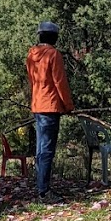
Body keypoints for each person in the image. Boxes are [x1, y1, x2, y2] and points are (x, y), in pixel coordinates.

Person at [25, 20, 74, 200]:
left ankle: (41, 188)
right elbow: (60, 82)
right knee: (47, 151)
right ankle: (44, 192)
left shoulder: (31, 55)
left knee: (40, 150)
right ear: (54, 37)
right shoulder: (53, 54)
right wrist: (68, 106)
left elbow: (32, 82)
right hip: (51, 106)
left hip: (38, 105)